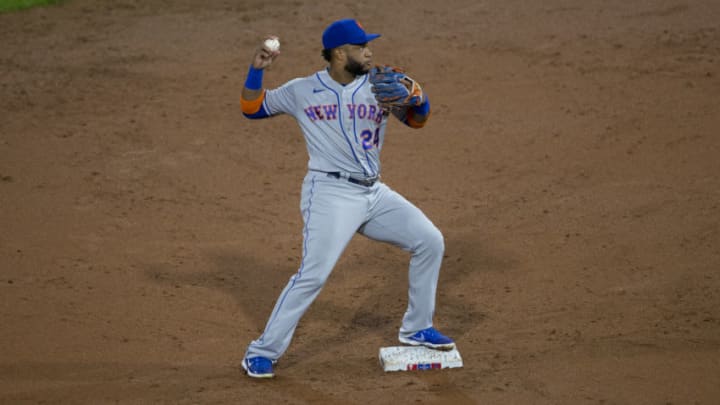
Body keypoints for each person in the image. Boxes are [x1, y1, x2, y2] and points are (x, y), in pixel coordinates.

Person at [239, 18, 454, 378]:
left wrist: (420, 97)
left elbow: (418, 121)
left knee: (429, 241)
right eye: (361, 47)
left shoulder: (379, 86)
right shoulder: (302, 90)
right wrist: (256, 71)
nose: (369, 53)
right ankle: (261, 351)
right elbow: (252, 108)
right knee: (314, 274)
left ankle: (417, 327)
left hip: (373, 191)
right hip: (330, 193)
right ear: (340, 53)